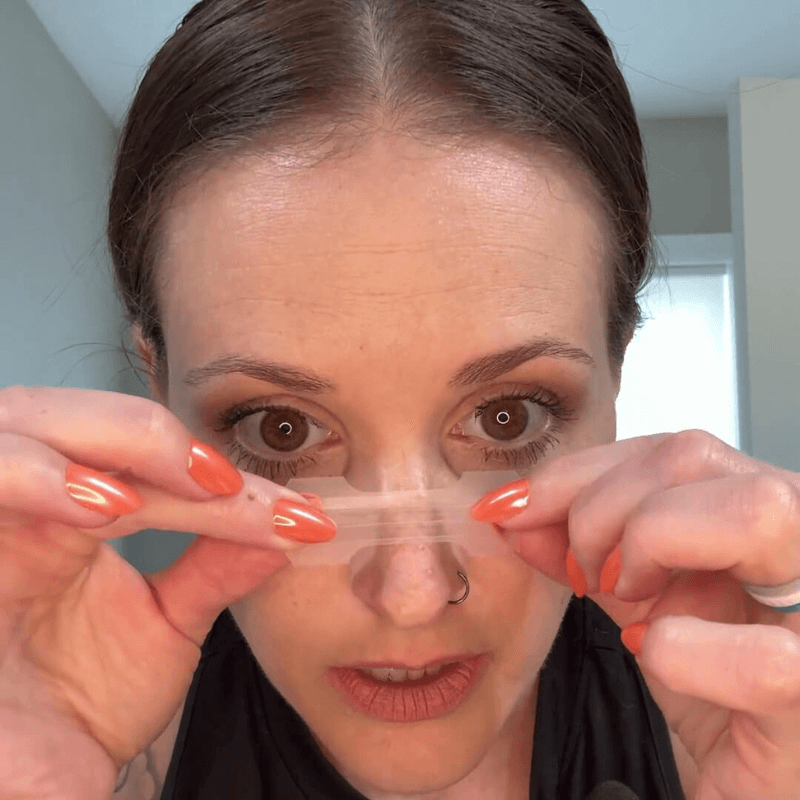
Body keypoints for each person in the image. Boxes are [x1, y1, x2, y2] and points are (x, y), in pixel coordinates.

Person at [2, 0, 799, 798]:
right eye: (282, 430)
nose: (413, 595)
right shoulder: (109, 761)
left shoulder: (742, 733)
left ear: (617, 368)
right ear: (159, 391)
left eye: (507, 417)